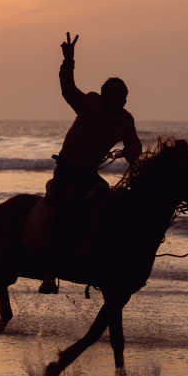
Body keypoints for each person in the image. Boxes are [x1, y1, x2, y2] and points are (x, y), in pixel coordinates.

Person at [39, 32, 142, 294]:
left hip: (88, 174)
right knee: (64, 209)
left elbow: (133, 147)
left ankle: (101, 262)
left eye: (126, 97)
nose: (124, 102)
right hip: (67, 169)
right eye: (120, 98)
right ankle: (49, 271)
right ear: (108, 97)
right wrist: (68, 61)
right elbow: (67, 89)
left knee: (109, 208)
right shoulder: (90, 104)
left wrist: (136, 162)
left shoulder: (125, 119)